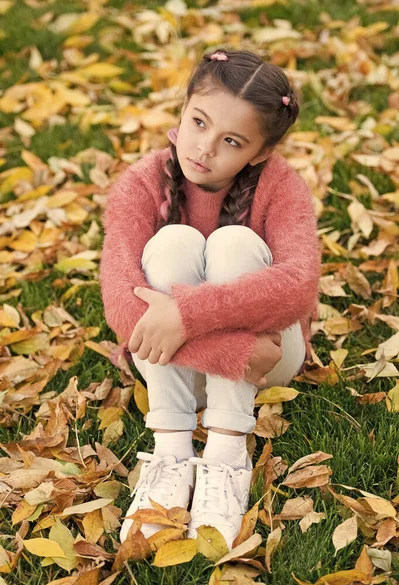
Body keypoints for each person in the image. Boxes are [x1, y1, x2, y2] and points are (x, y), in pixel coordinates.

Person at [99, 48, 321, 550]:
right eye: (198, 122)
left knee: (233, 244)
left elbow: (300, 284)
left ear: (260, 152)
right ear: (183, 109)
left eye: (231, 141)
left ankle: (225, 456)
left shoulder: (281, 185)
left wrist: (187, 314)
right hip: (203, 362)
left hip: (268, 364)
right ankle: (170, 455)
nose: (203, 148)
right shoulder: (142, 181)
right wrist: (229, 352)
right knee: (173, 242)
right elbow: (119, 300)